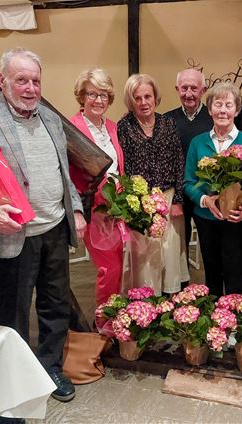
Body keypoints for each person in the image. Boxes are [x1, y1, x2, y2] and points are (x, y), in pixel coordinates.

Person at [0, 48, 86, 402]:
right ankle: (16, 375)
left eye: (35, 80)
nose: (30, 88)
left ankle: (50, 366)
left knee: (55, 305)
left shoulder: (50, 119)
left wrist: (78, 210)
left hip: (54, 228)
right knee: (15, 310)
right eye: (21, 79)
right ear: (2, 80)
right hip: (13, 233)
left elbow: (63, 173)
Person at [117, 73, 189, 295]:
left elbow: (179, 161)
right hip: (141, 202)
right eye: (137, 98)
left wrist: (177, 201)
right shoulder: (124, 126)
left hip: (168, 197)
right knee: (145, 253)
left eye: (147, 96)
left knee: (169, 250)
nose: (143, 102)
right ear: (131, 101)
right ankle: (148, 298)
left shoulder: (167, 123)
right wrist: (132, 205)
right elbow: (123, 167)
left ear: (155, 97)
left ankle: (170, 295)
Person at [184, 82, 242, 296]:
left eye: (228, 104)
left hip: (237, 222)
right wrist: (205, 199)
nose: (223, 110)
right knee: (212, 276)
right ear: (209, 109)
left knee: (236, 276)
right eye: (218, 104)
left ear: (237, 110)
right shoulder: (197, 143)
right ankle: (214, 324)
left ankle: (236, 321)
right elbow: (188, 182)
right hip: (206, 219)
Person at [69, 68, 125, 306]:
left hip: (117, 207)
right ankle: (105, 324)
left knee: (123, 266)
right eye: (92, 94)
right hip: (93, 208)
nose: (98, 100)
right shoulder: (72, 128)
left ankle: (121, 319)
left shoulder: (112, 127)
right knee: (108, 268)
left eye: (103, 95)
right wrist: (77, 212)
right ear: (82, 97)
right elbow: (68, 175)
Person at [164, 68, 213, 265]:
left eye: (194, 88)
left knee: (209, 247)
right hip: (178, 195)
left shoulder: (213, 119)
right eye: (184, 88)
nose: (189, 93)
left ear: (203, 90)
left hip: (206, 193)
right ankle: (181, 289)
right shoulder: (166, 120)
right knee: (177, 249)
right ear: (177, 89)